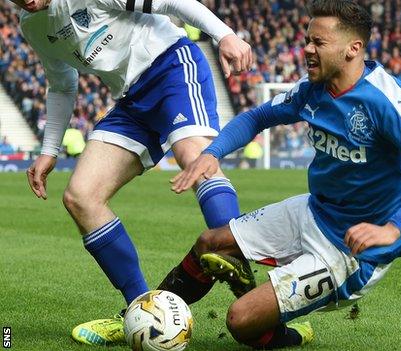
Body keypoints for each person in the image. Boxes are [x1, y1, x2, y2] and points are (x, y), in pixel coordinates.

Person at [160, 0, 401, 348]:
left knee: (241, 321)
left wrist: (393, 228)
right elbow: (256, 118)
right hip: (313, 211)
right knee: (210, 242)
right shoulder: (312, 88)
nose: (307, 49)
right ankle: (142, 314)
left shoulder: (388, 100)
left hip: (349, 249)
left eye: (318, 42)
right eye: (307, 39)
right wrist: (212, 153)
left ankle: (288, 333)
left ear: (352, 49)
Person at [11, 0, 255, 345]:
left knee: (193, 158)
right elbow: (62, 84)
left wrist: (224, 35)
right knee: (81, 196)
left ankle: (254, 296)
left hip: (171, 66)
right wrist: (49, 150)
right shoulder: (32, 25)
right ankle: (143, 310)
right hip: (130, 100)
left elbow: (172, 2)